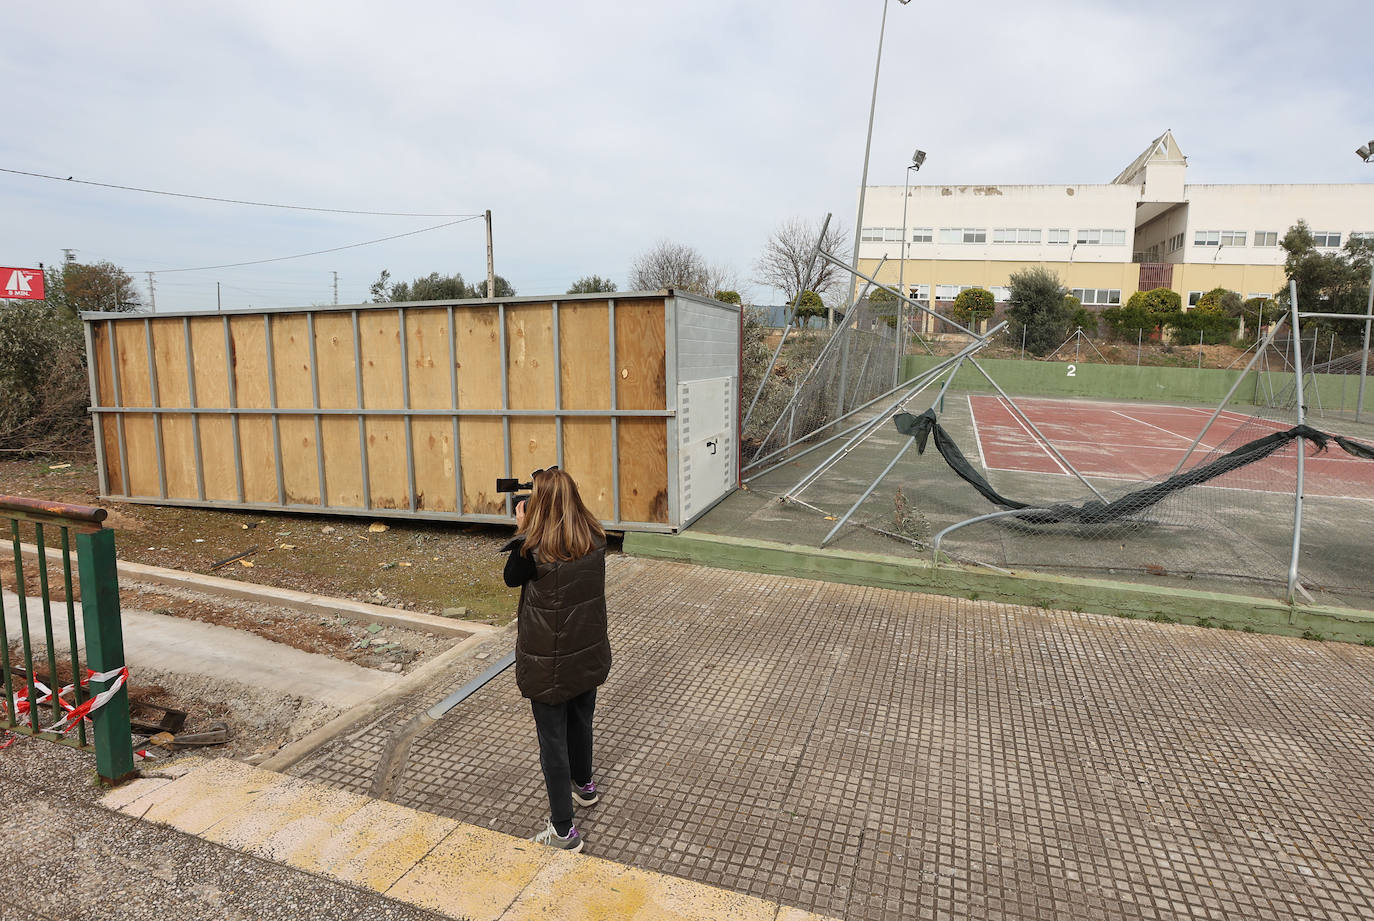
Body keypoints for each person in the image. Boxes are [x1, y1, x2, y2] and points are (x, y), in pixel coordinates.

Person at [502, 466, 611, 853]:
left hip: (547, 664)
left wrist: (522, 531)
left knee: (553, 743)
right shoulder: (595, 538)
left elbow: (510, 578)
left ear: (540, 505)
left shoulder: (531, 551)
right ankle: (585, 785)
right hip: (587, 653)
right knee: (581, 722)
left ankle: (563, 831)